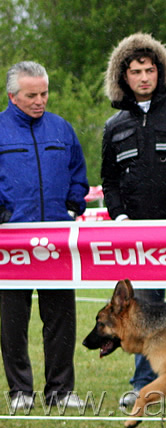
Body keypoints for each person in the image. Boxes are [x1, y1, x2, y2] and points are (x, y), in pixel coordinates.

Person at [101, 33, 166, 412]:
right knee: (142, 312)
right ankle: (142, 383)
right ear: (123, 77)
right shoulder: (114, 125)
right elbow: (109, 182)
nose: (144, 77)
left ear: (161, 73)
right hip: (138, 237)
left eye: (150, 70)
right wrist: (120, 217)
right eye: (135, 71)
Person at [0, 61, 89, 409]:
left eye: (44, 93)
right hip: (10, 243)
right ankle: (20, 392)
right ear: (13, 96)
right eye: (31, 95)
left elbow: (77, 173)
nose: (40, 101)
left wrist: (71, 207)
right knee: (12, 321)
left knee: (61, 318)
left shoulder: (61, 129)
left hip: (56, 241)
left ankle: (61, 391)